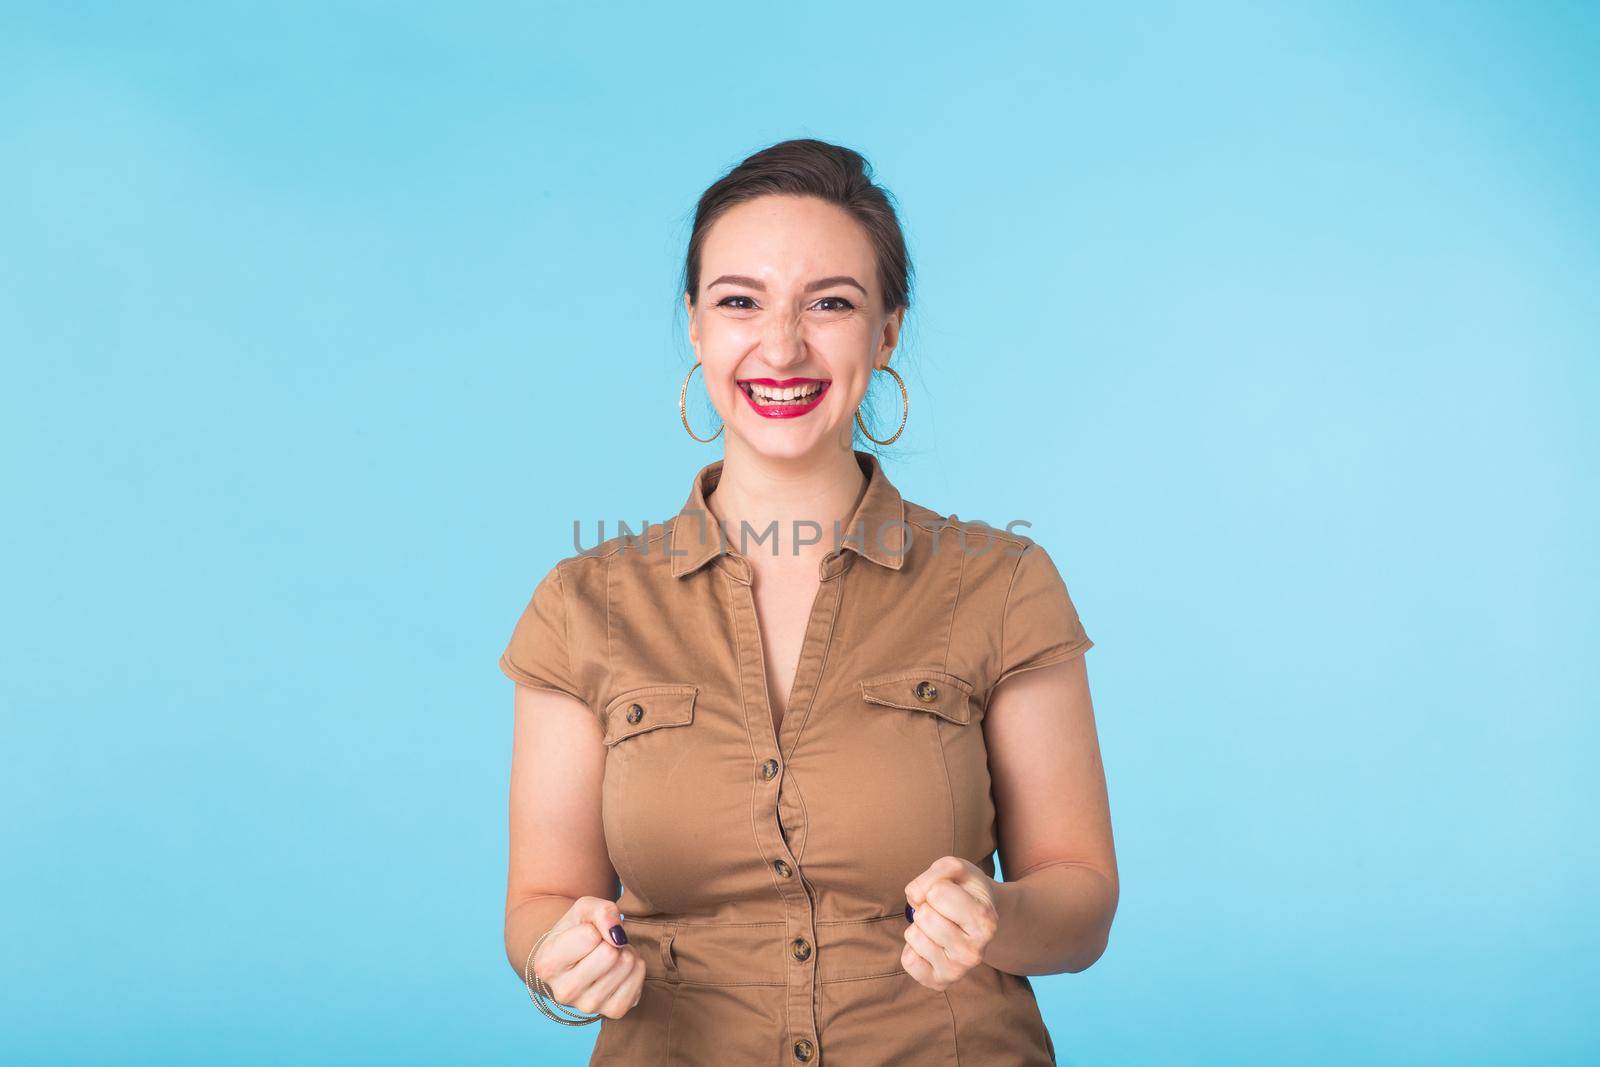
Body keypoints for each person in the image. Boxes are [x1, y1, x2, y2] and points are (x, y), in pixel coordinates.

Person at [499, 138, 1118, 1065]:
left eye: (830, 303)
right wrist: (561, 956)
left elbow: (1080, 897)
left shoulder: (1001, 584)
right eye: (739, 301)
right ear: (696, 326)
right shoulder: (583, 604)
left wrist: (998, 915)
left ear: (888, 331)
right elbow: (539, 900)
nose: (781, 345)